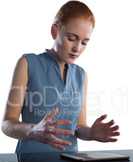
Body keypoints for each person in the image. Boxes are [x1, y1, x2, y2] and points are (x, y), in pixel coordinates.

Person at [1, 0, 120, 154]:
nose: (77, 48)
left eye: (84, 42)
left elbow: (78, 127)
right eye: (71, 38)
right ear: (55, 31)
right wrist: (33, 130)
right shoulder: (27, 63)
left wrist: (90, 133)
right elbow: (6, 124)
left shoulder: (80, 75)